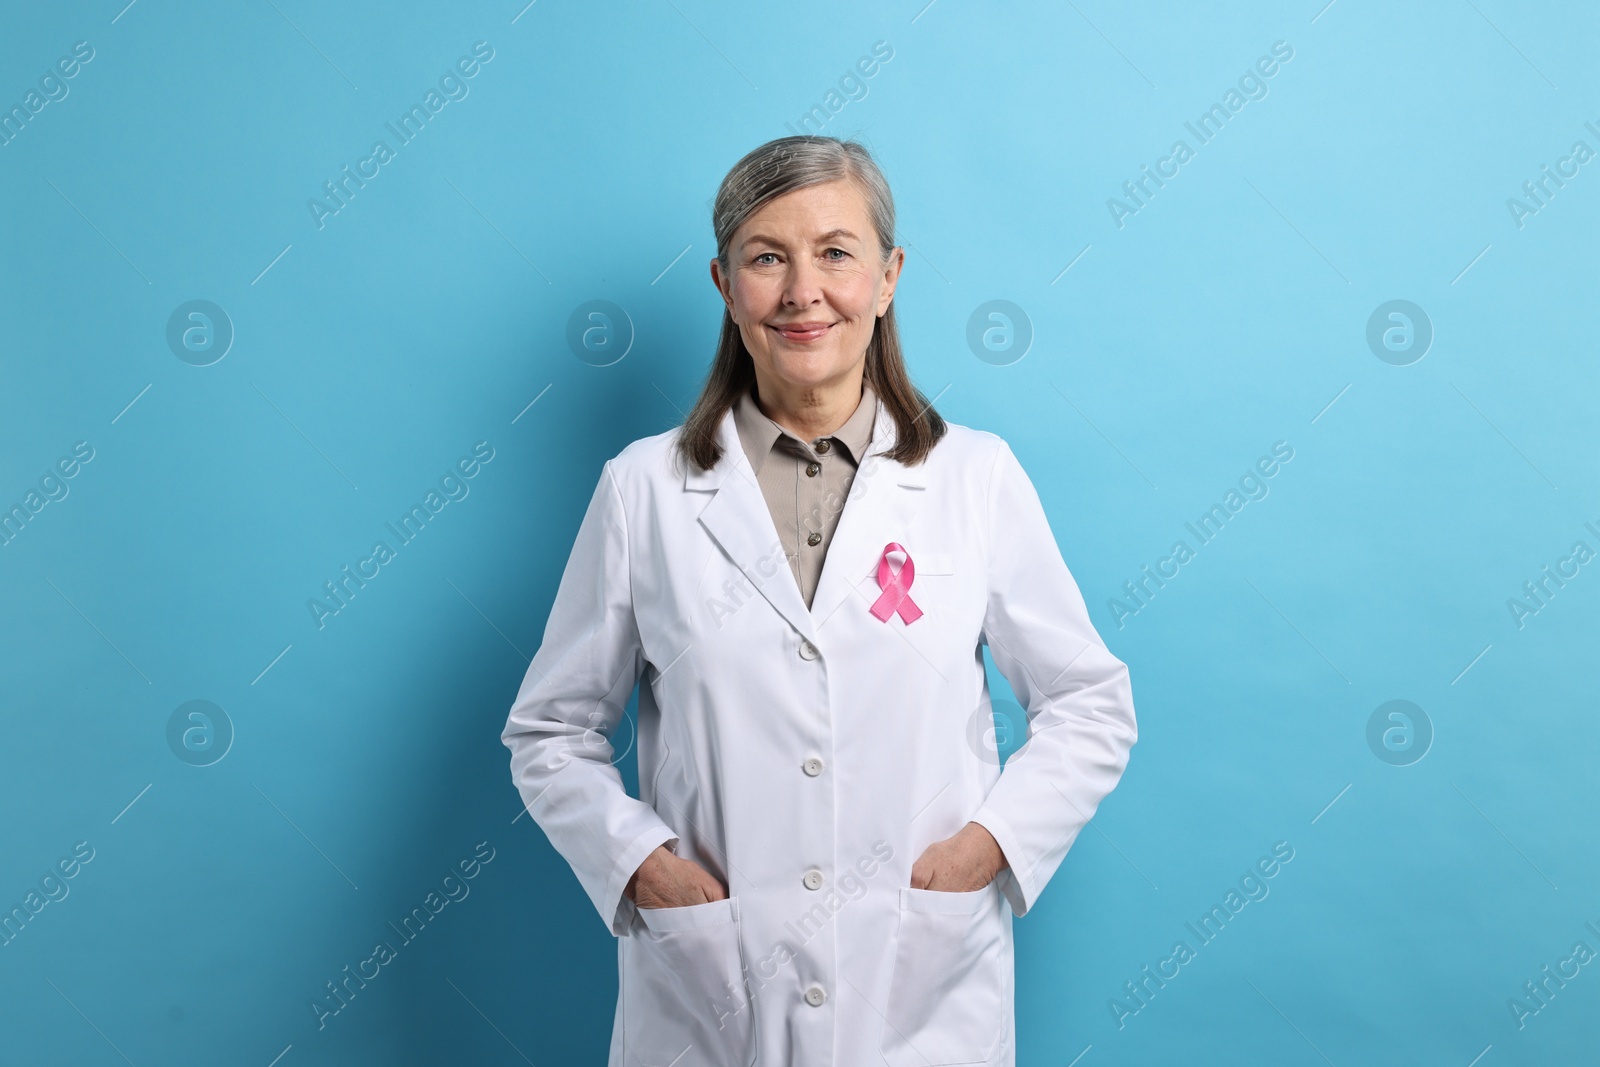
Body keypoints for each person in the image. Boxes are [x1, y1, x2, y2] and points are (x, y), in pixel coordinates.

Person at [501, 134, 1137, 1067]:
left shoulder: (975, 479)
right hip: (710, 999)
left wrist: (989, 847)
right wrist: (642, 866)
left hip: (921, 991)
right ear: (725, 284)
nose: (804, 292)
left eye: (836, 253)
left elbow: (1090, 700)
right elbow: (549, 729)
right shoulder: (643, 490)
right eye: (768, 258)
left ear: (888, 276)